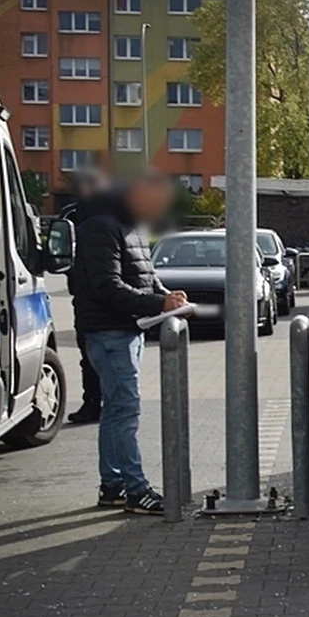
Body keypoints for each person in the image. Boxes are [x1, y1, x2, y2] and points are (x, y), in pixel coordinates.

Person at [72, 172, 187, 514]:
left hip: (127, 330)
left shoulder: (130, 228)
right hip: (109, 333)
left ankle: (113, 486)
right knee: (125, 411)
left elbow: (145, 275)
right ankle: (136, 490)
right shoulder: (99, 227)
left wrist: (167, 296)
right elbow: (107, 285)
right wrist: (157, 304)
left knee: (115, 410)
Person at [63, 168, 109, 424]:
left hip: (88, 298)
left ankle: (94, 403)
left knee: (91, 356)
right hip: (98, 298)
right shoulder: (120, 214)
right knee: (95, 356)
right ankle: (101, 402)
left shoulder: (74, 215)